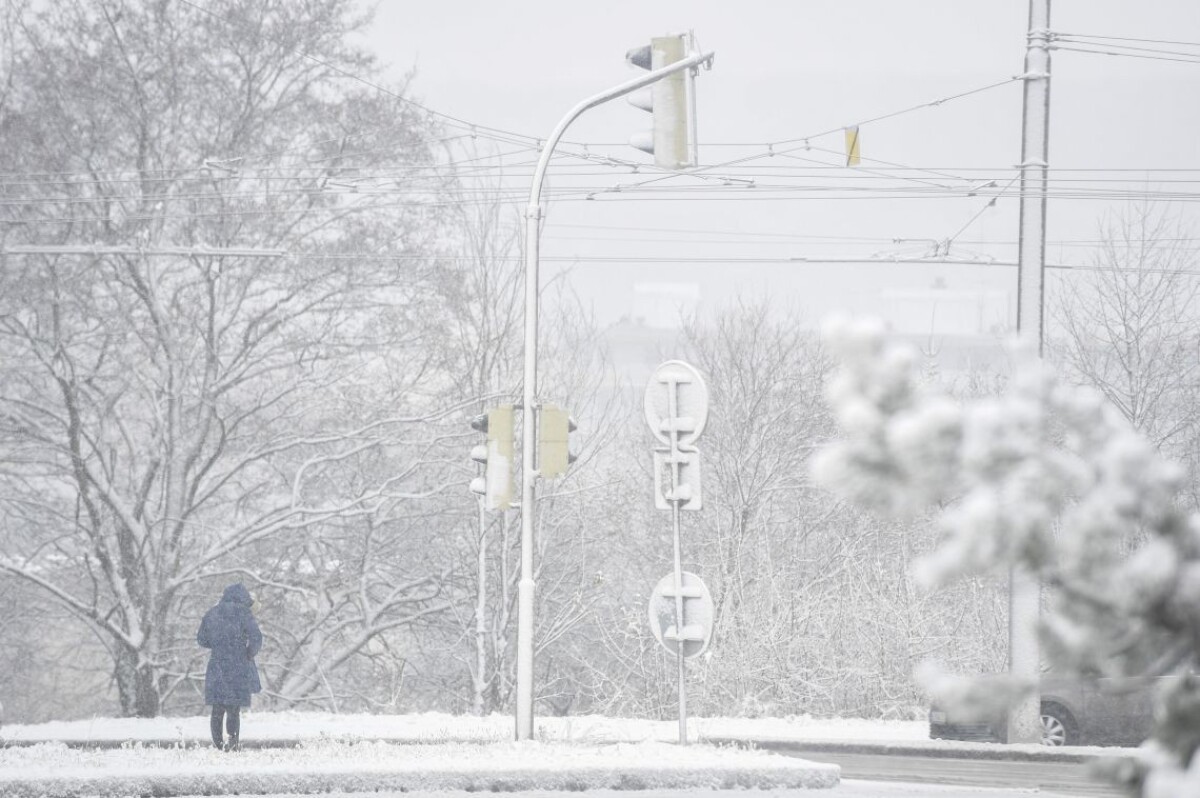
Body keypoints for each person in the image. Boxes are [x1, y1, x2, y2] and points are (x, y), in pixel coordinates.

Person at [197, 583, 262, 751]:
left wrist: (219, 645)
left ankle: (218, 745)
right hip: (238, 665)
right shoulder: (244, 613)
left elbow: (201, 639)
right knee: (233, 708)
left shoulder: (212, 613)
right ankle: (233, 744)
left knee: (217, 708)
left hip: (217, 664)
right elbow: (256, 638)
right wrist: (248, 653)